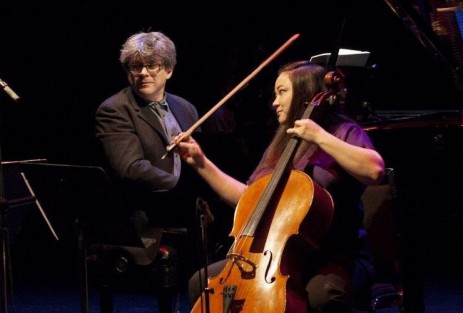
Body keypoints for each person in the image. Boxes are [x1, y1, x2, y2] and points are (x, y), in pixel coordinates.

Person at [178, 61, 385, 312]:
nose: (274, 102)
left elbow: (374, 170)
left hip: (335, 255)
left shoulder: (342, 130)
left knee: (323, 297)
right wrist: (201, 163)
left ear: (305, 92)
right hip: (277, 255)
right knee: (202, 284)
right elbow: (250, 199)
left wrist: (319, 136)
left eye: (282, 92)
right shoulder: (281, 142)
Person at [94, 31, 205, 312]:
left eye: (152, 65)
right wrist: (183, 189)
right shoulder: (114, 109)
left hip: (186, 213)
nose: (143, 73)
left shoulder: (186, 108)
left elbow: (200, 163)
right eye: (135, 66)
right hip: (144, 218)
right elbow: (131, 169)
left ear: (168, 70)